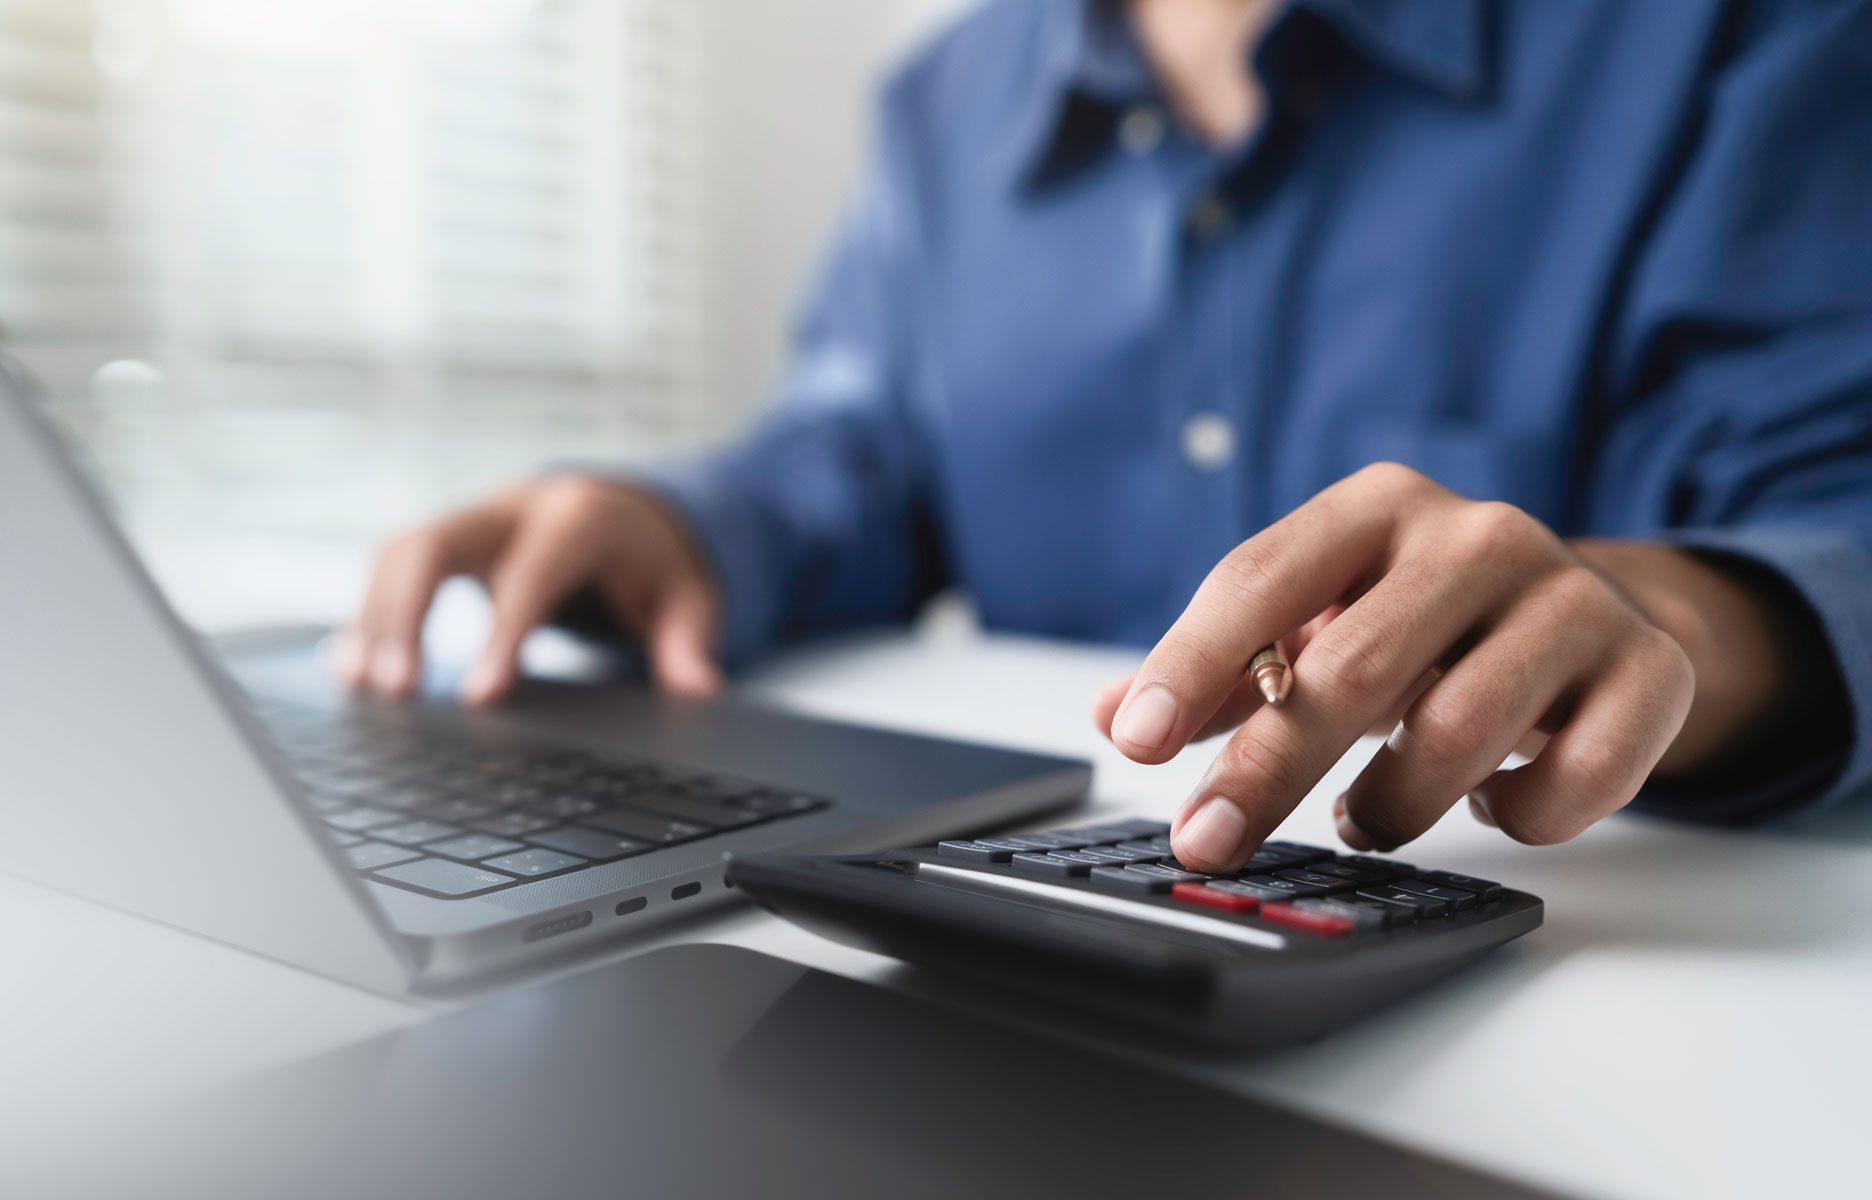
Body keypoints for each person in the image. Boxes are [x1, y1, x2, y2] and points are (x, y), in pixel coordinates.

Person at [338, 0, 1872, 874]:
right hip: (990, 959)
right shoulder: (944, 99)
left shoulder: (1733, 34)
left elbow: (1837, 515)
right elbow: (862, 446)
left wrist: (1653, 616)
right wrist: (671, 520)